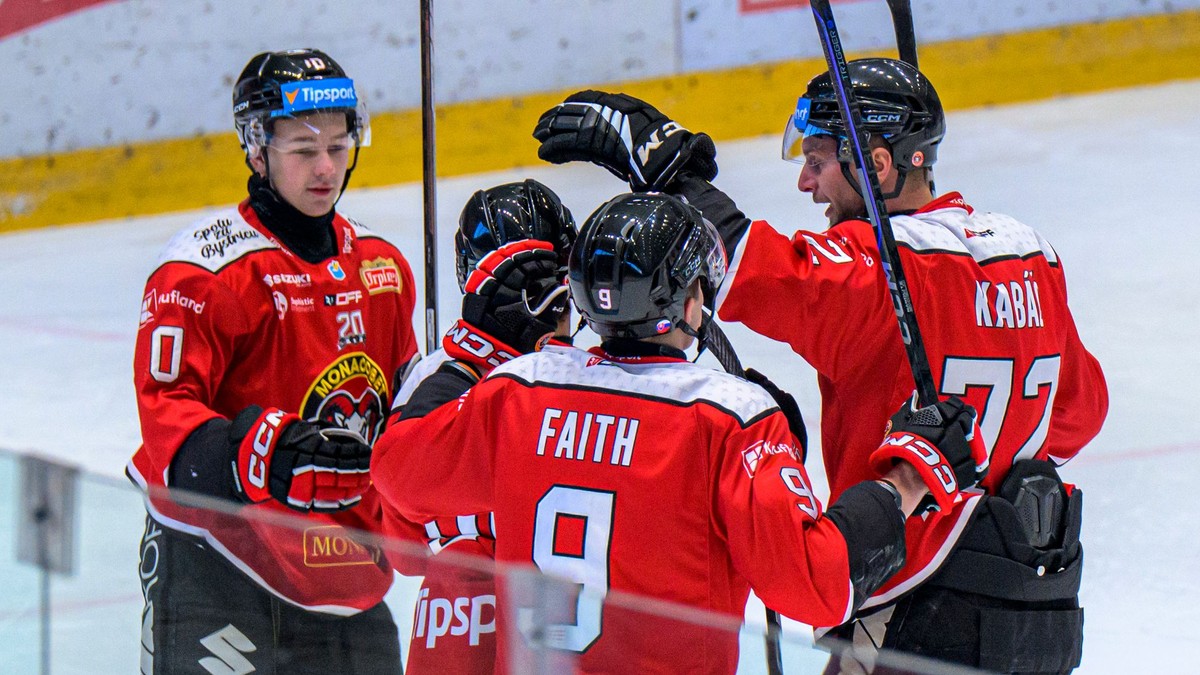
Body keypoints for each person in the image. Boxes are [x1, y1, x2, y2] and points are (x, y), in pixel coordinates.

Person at [531, 58, 1109, 674]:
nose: (806, 184)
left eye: (818, 161)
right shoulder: (1029, 256)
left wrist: (677, 175)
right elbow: (1080, 413)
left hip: (914, 612)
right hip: (1040, 615)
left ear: (879, 166)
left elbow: (759, 273)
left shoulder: (881, 268)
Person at [372, 191, 989, 674]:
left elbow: (399, 472)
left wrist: (466, 352)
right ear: (688, 301)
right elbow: (815, 585)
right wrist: (906, 475)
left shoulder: (518, 389)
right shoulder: (729, 418)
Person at [127, 48, 417, 673]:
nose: (326, 168)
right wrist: (254, 454)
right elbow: (166, 421)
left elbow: (402, 414)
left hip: (347, 569)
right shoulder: (203, 274)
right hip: (220, 566)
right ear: (257, 149)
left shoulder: (384, 268)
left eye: (338, 147)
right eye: (303, 149)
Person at [384, 178, 578, 675]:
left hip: (458, 620)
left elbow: (404, 547)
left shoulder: (435, 376)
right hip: (552, 627)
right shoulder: (591, 375)